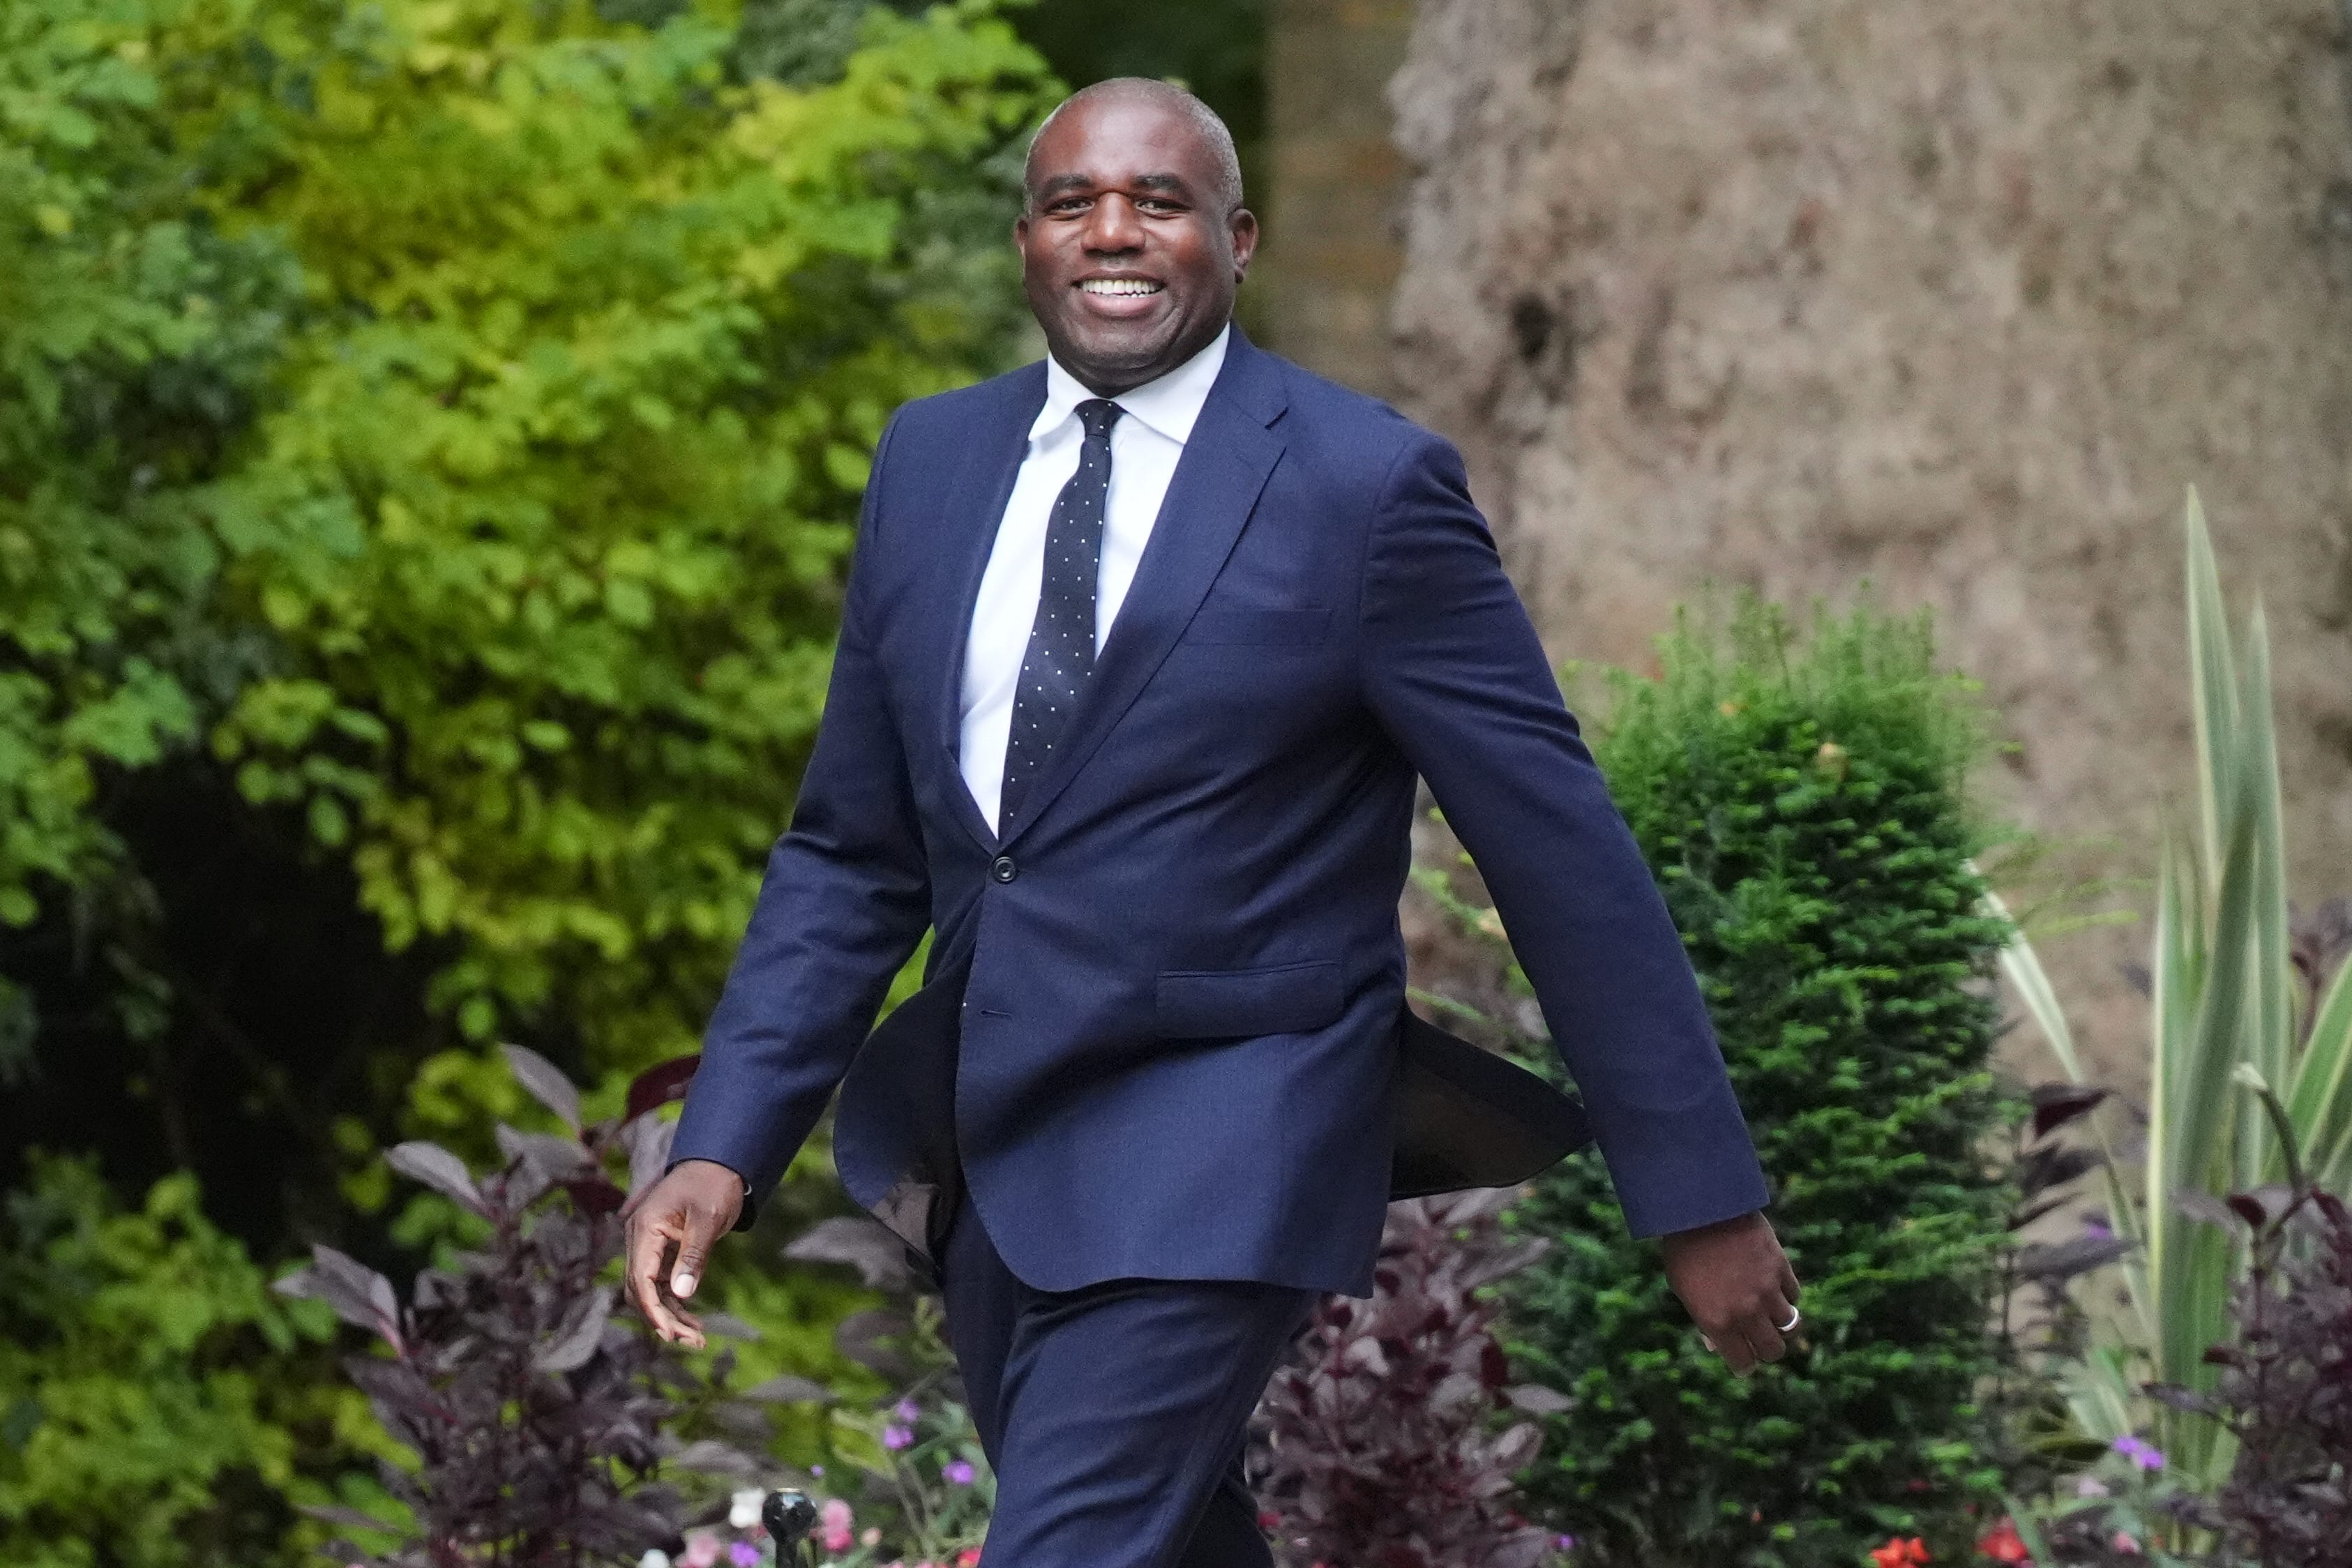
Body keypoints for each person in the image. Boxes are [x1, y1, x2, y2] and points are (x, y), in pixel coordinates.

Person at [624, 77, 1801, 1568]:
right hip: (998, 1145)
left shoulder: (1367, 488)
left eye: (1159, 201)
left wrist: (1698, 1194)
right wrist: (723, 1138)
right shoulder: (930, 466)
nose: (1113, 232)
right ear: (1029, 241)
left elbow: (1556, 846)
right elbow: (854, 852)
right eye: (1074, 203)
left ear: (1236, 238)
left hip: (1228, 1142)